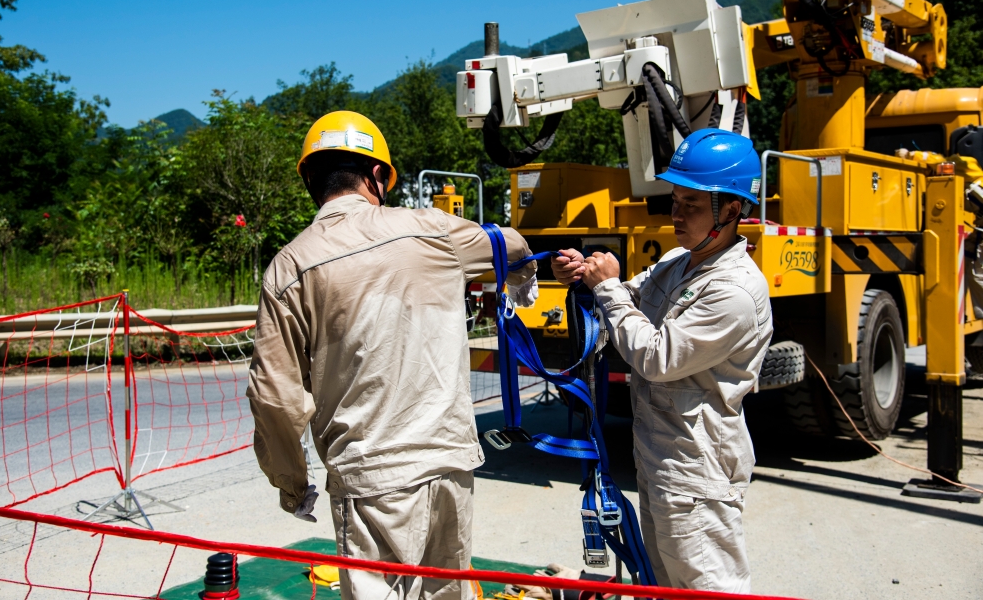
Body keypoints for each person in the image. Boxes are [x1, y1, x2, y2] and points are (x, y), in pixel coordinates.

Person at [246, 111, 538, 600]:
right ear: (377, 176)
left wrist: (291, 484)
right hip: (451, 464)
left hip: (372, 478)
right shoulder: (432, 229)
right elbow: (509, 243)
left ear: (311, 181)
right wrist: (519, 284)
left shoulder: (290, 267)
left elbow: (275, 397)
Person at [551, 128, 772, 593]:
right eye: (674, 199)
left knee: (707, 586)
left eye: (691, 204)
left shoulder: (733, 290)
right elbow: (630, 299)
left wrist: (608, 289)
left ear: (731, 210)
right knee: (662, 584)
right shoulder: (680, 261)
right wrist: (585, 275)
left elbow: (655, 356)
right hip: (662, 458)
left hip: (698, 466)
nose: (676, 213)